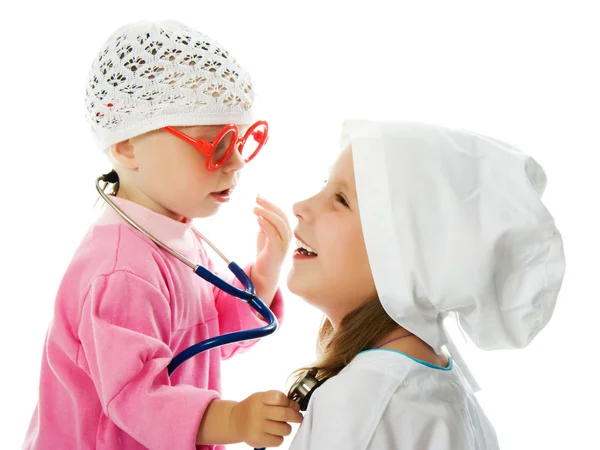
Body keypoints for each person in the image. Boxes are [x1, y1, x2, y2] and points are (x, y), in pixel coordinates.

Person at [23, 20, 301, 450]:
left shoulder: (175, 237)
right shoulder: (121, 272)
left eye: (242, 141)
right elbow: (137, 397)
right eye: (215, 144)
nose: (238, 163)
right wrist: (235, 418)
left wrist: (262, 276)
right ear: (127, 146)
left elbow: (207, 339)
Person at [286, 119, 565, 449]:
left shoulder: (361, 402)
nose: (301, 207)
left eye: (341, 199)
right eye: (324, 186)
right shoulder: (433, 389)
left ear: (406, 253)